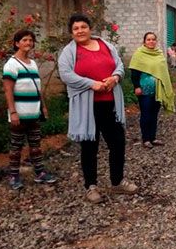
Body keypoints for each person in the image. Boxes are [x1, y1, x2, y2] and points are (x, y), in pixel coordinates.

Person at [58, 13, 138, 204]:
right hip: (87, 107)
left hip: (109, 103)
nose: (80, 31)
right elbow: (66, 75)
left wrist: (115, 78)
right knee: (89, 146)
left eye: (83, 27)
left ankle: (117, 181)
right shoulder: (69, 52)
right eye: (76, 29)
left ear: (90, 28)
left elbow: (119, 65)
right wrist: (90, 84)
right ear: (71, 32)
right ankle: (91, 186)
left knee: (118, 142)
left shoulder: (105, 45)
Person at [2, 29, 57, 190]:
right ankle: (14, 176)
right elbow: (8, 90)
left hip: (34, 112)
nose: (28, 43)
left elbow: (38, 89)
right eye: (24, 40)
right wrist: (13, 112)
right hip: (19, 114)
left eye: (30, 40)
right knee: (16, 146)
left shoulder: (32, 63)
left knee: (35, 145)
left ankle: (40, 173)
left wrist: (43, 107)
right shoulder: (11, 65)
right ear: (16, 43)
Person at [129, 32, 176, 149]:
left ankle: (153, 137)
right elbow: (134, 72)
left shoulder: (159, 54)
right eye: (148, 39)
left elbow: (163, 72)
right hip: (144, 91)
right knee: (146, 114)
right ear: (144, 41)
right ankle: (146, 139)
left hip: (157, 91)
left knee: (154, 114)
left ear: (156, 41)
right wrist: (136, 87)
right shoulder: (139, 54)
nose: (151, 41)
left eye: (153, 39)